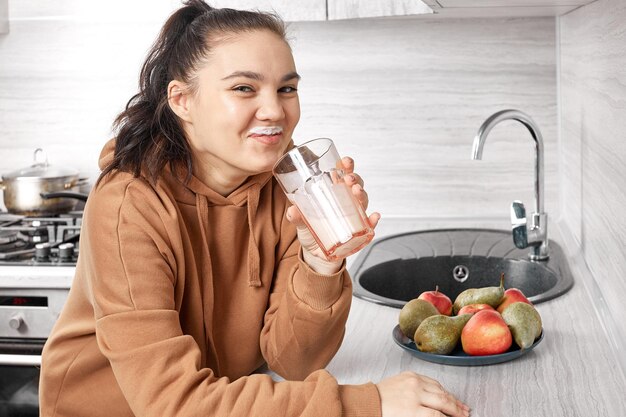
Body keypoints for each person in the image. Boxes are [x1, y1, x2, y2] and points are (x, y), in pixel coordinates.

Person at [39, 2, 470, 416]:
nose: (275, 110)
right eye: (244, 88)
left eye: (287, 88)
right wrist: (367, 404)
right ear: (182, 100)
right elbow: (173, 404)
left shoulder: (285, 186)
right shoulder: (129, 201)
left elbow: (295, 362)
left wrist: (320, 264)